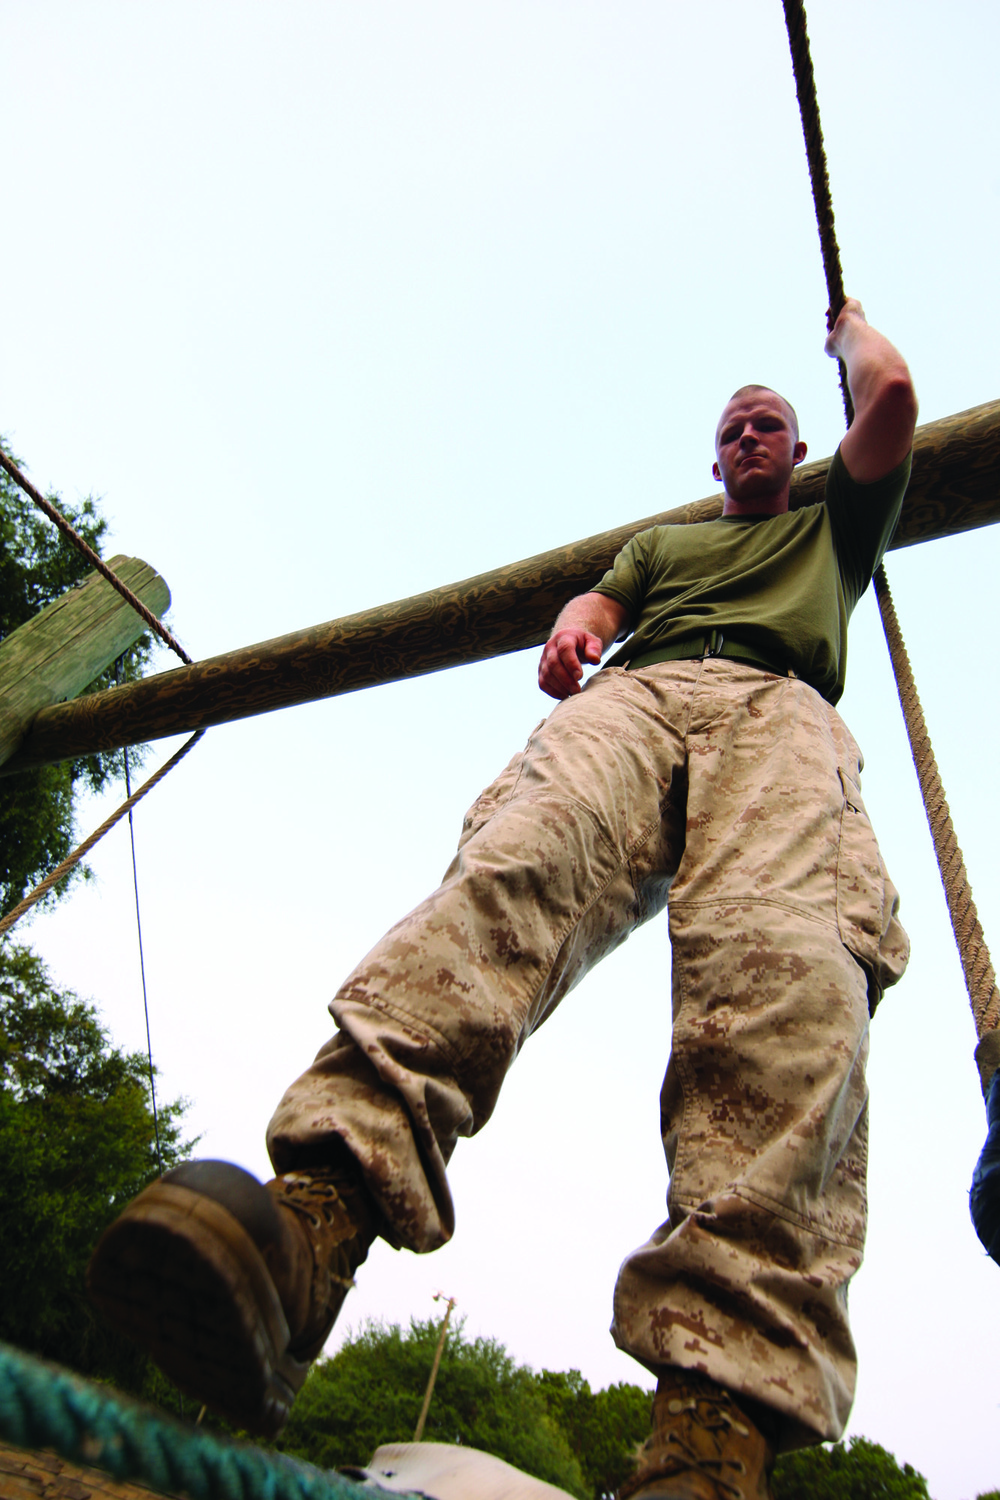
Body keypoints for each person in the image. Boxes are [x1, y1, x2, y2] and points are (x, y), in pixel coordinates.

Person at [88, 299, 917, 1500]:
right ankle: (308, 1230)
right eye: (734, 426)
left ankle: (715, 1425)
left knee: (783, 980)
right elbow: (599, 603)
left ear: (799, 454)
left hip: (778, 713)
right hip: (635, 699)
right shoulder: (667, 546)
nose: (749, 436)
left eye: (771, 425)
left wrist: (843, 334)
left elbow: (887, 400)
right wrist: (574, 638)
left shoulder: (840, 523)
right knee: (508, 880)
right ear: (713, 455)